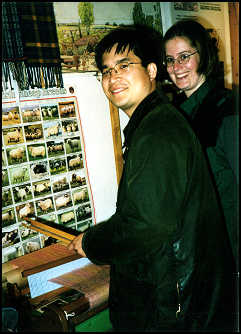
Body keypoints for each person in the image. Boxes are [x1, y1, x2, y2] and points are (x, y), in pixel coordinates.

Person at [68, 25, 236, 331]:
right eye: (105, 70)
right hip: (178, 292)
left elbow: (148, 224)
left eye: (123, 66)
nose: (112, 77)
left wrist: (93, 243)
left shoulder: (158, 131)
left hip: (174, 303)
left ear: (151, 70)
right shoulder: (156, 123)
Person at [163, 19, 239, 269]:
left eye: (184, 56)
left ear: (203, 55)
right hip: (200, 245)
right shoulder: (177, 115)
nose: (177, 67)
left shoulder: (227, 108)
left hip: (230, 245)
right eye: (170, 60)